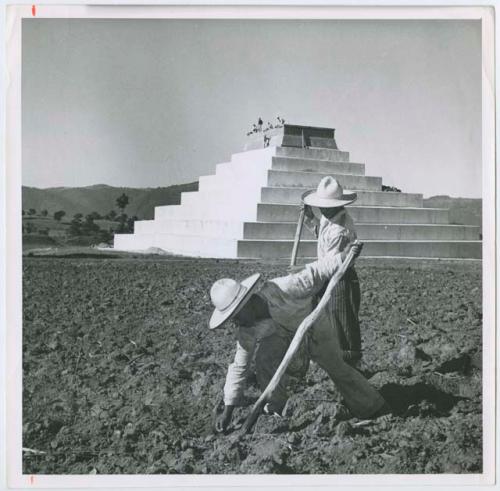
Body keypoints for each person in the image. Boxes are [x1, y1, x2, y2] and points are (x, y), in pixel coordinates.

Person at [209, 243, 388, 433]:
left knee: (338, 367)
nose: (235, 323)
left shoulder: (282, 288)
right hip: (283, 338)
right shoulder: (246, 330)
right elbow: (239, 366)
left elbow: (315, 272)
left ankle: (375, 408)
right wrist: (228, 411)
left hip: (315, 326)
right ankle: (276, 410)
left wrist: (344, 257)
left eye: (235, 316)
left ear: (246, 304)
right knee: (264, 359)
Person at [302, 176, 362, 365]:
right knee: (324, 319)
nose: (322, 209)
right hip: (328, 276)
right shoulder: (331, 218)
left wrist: (303, 270)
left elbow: (332, 263)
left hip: (340, 280)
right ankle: (329, 361)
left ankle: (350, 366)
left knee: (341, 323)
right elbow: (323, 235)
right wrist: (311, 219)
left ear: (336, 205)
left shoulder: (341, 228)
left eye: (324, 206)